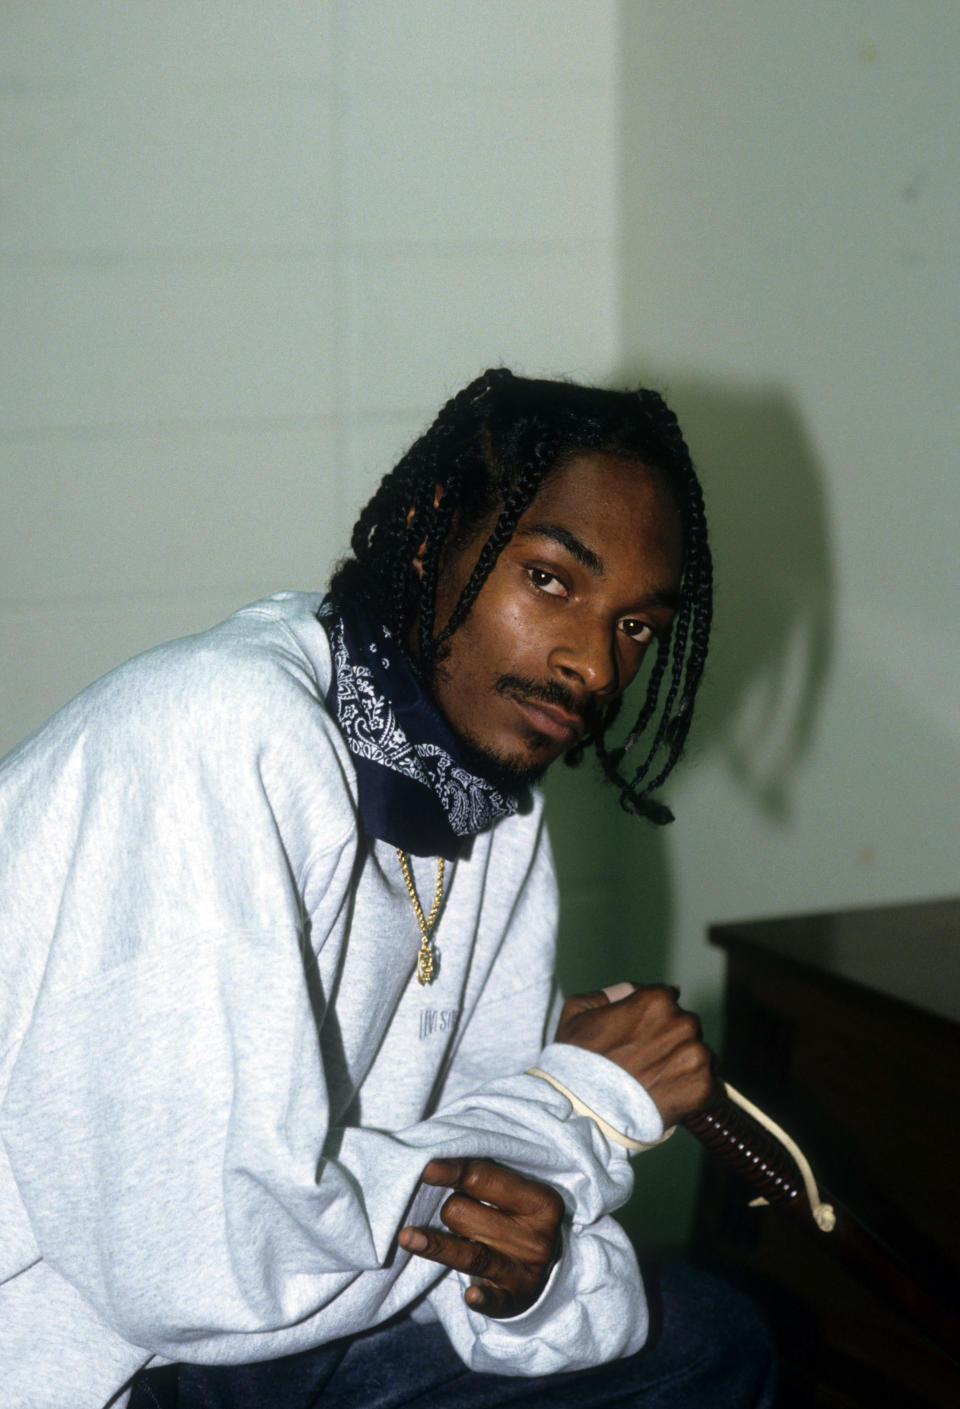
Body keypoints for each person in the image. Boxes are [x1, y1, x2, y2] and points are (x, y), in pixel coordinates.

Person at [0, 370, 775, 1407]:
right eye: (551, 578)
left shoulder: (490, 808)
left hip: (283, 1314)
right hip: (93, 1350)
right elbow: (194, 1266)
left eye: (636, 624)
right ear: (424, 540)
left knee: (712, 1342)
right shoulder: (219, 730)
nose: (593, 662)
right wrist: (581, 1105)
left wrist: (524, 1284)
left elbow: (487, 1206)